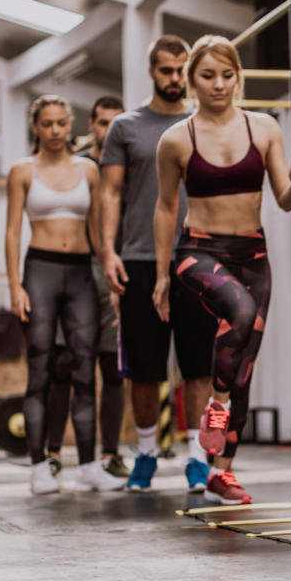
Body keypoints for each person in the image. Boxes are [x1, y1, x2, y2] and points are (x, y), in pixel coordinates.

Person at [154, 35, 291, 505]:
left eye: (227, 75)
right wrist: (163, 275)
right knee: (239, 312)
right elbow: (164, 207)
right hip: (197, 251)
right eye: (207, 76)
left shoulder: (263, 128)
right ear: (190, 81)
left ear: (237, 77)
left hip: (252, 255)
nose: (219, 84)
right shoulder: (176, 139)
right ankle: (216, 405)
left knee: (242, 367)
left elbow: (284, 200)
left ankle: (221, 473)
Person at [99, 36, 218, 492]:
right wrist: (109, 251)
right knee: (145, 369)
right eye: (166, 70)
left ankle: (197, 458)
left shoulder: (204, 123)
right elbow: (110, 194)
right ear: (152, 71)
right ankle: (146, 454)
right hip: (140, 259)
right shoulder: (125, 128)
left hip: (199, 256)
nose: (173, 78)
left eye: (180, 70)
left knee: (200, 369)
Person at [4, 94, 127, 495]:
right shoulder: (23, 171)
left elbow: (98, 230)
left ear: (70, 124)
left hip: (80, 274)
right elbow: (11, 232)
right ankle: (40, 465)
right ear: (35, 128)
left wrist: (108, 270)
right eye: (47, 124)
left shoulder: (88, 170)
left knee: (84, 369)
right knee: (40, 370)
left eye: (61, 123)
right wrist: (14, 285)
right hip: (39, 270)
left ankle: (89, 465)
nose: (55, 131)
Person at [42, 95, 131, 478]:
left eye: (116, 122)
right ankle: (53, 453)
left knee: (112, 369)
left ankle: (110, 454)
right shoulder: (73, 165)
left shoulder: (131, 166)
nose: (108, 129)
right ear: (91, 125)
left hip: (116, 273)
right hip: (75, 271)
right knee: (65, 365)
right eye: (101, 122)